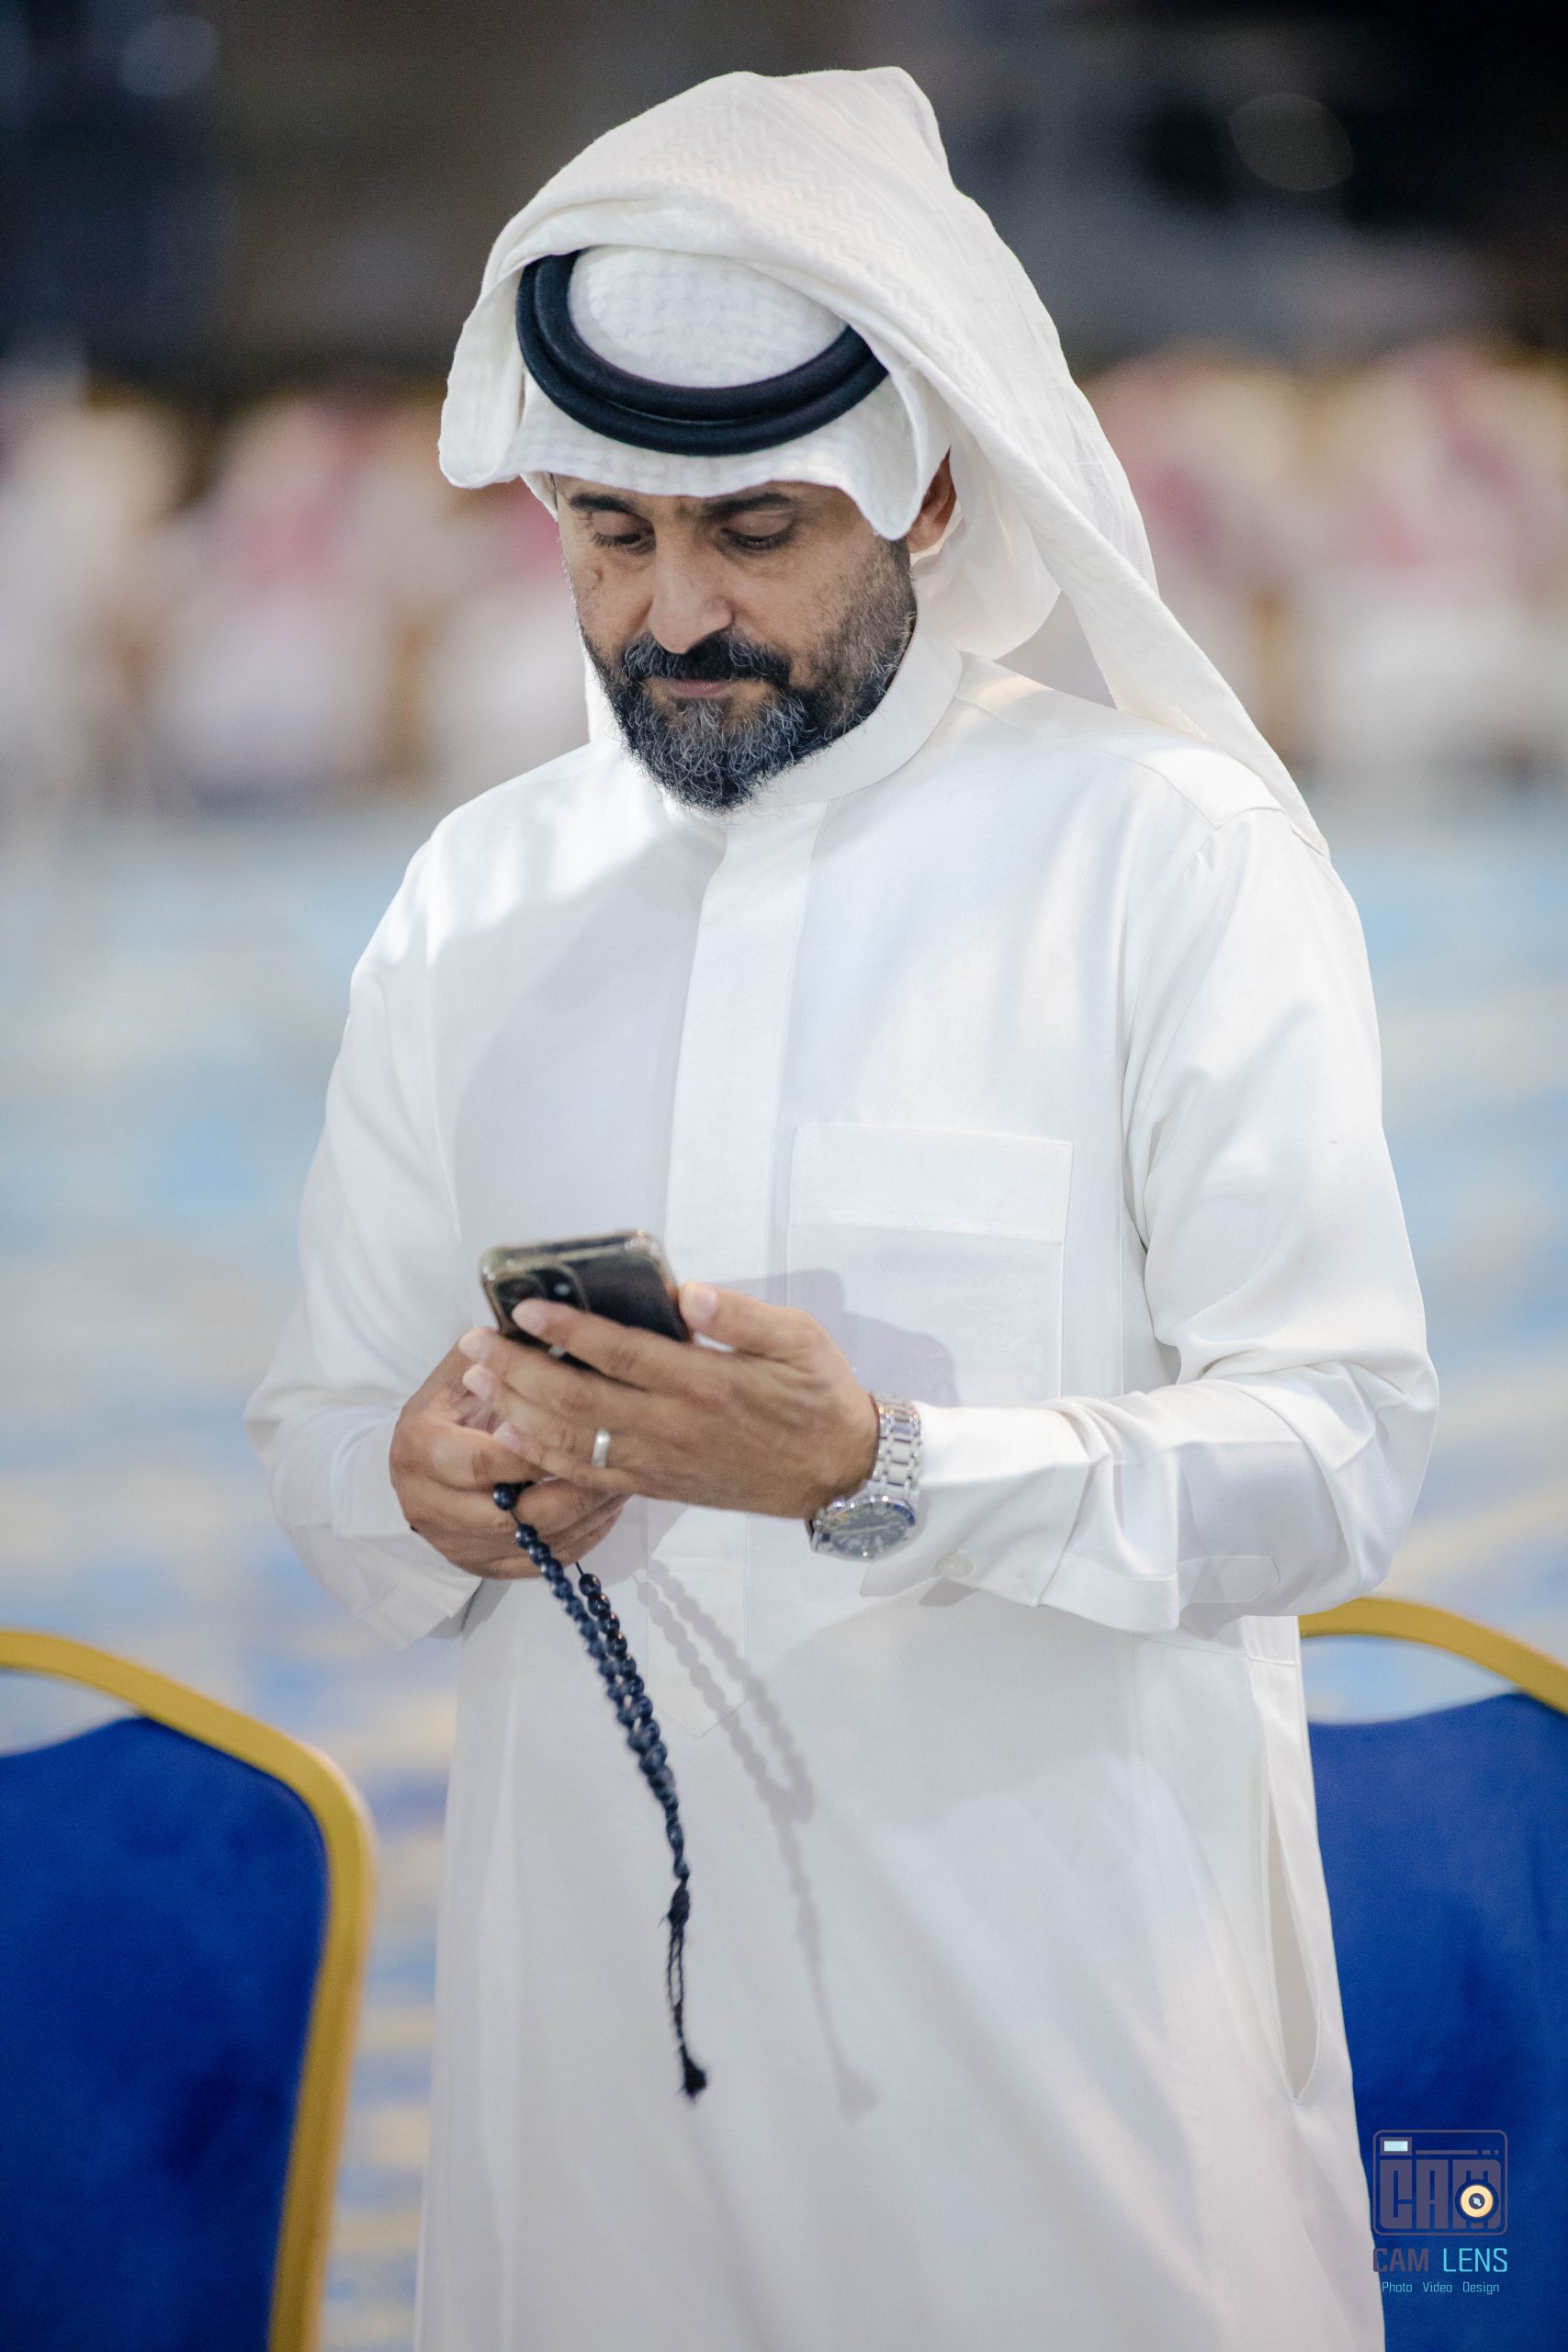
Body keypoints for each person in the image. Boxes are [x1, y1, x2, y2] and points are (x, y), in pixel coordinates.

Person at [246, 66, 1436, 2352]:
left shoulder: (1159, 858)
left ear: (933, 490)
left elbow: (1340, 1450)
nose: (671, 610)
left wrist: (882, 1469)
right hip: (594, 2113)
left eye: (755, 532)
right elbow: (319, 1429)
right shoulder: (472, 901)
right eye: (607, 532)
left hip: (1061, 2104)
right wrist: (417, 1478)